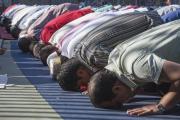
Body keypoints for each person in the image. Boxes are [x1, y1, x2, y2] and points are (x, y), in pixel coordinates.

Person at [88, 19, 180, 116]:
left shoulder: (136, 68)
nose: (125, 102)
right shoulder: (114, 57)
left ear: (117, 89)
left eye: (119, 102)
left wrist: (161, 106)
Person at [57, 11, 163, 91]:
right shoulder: (80, 50)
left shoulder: (94, 56)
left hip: (153, 24)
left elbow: (126, 71)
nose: (85, 85)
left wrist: (98, 89)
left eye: (82, 84)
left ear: (80, 71)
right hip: (145, 18)